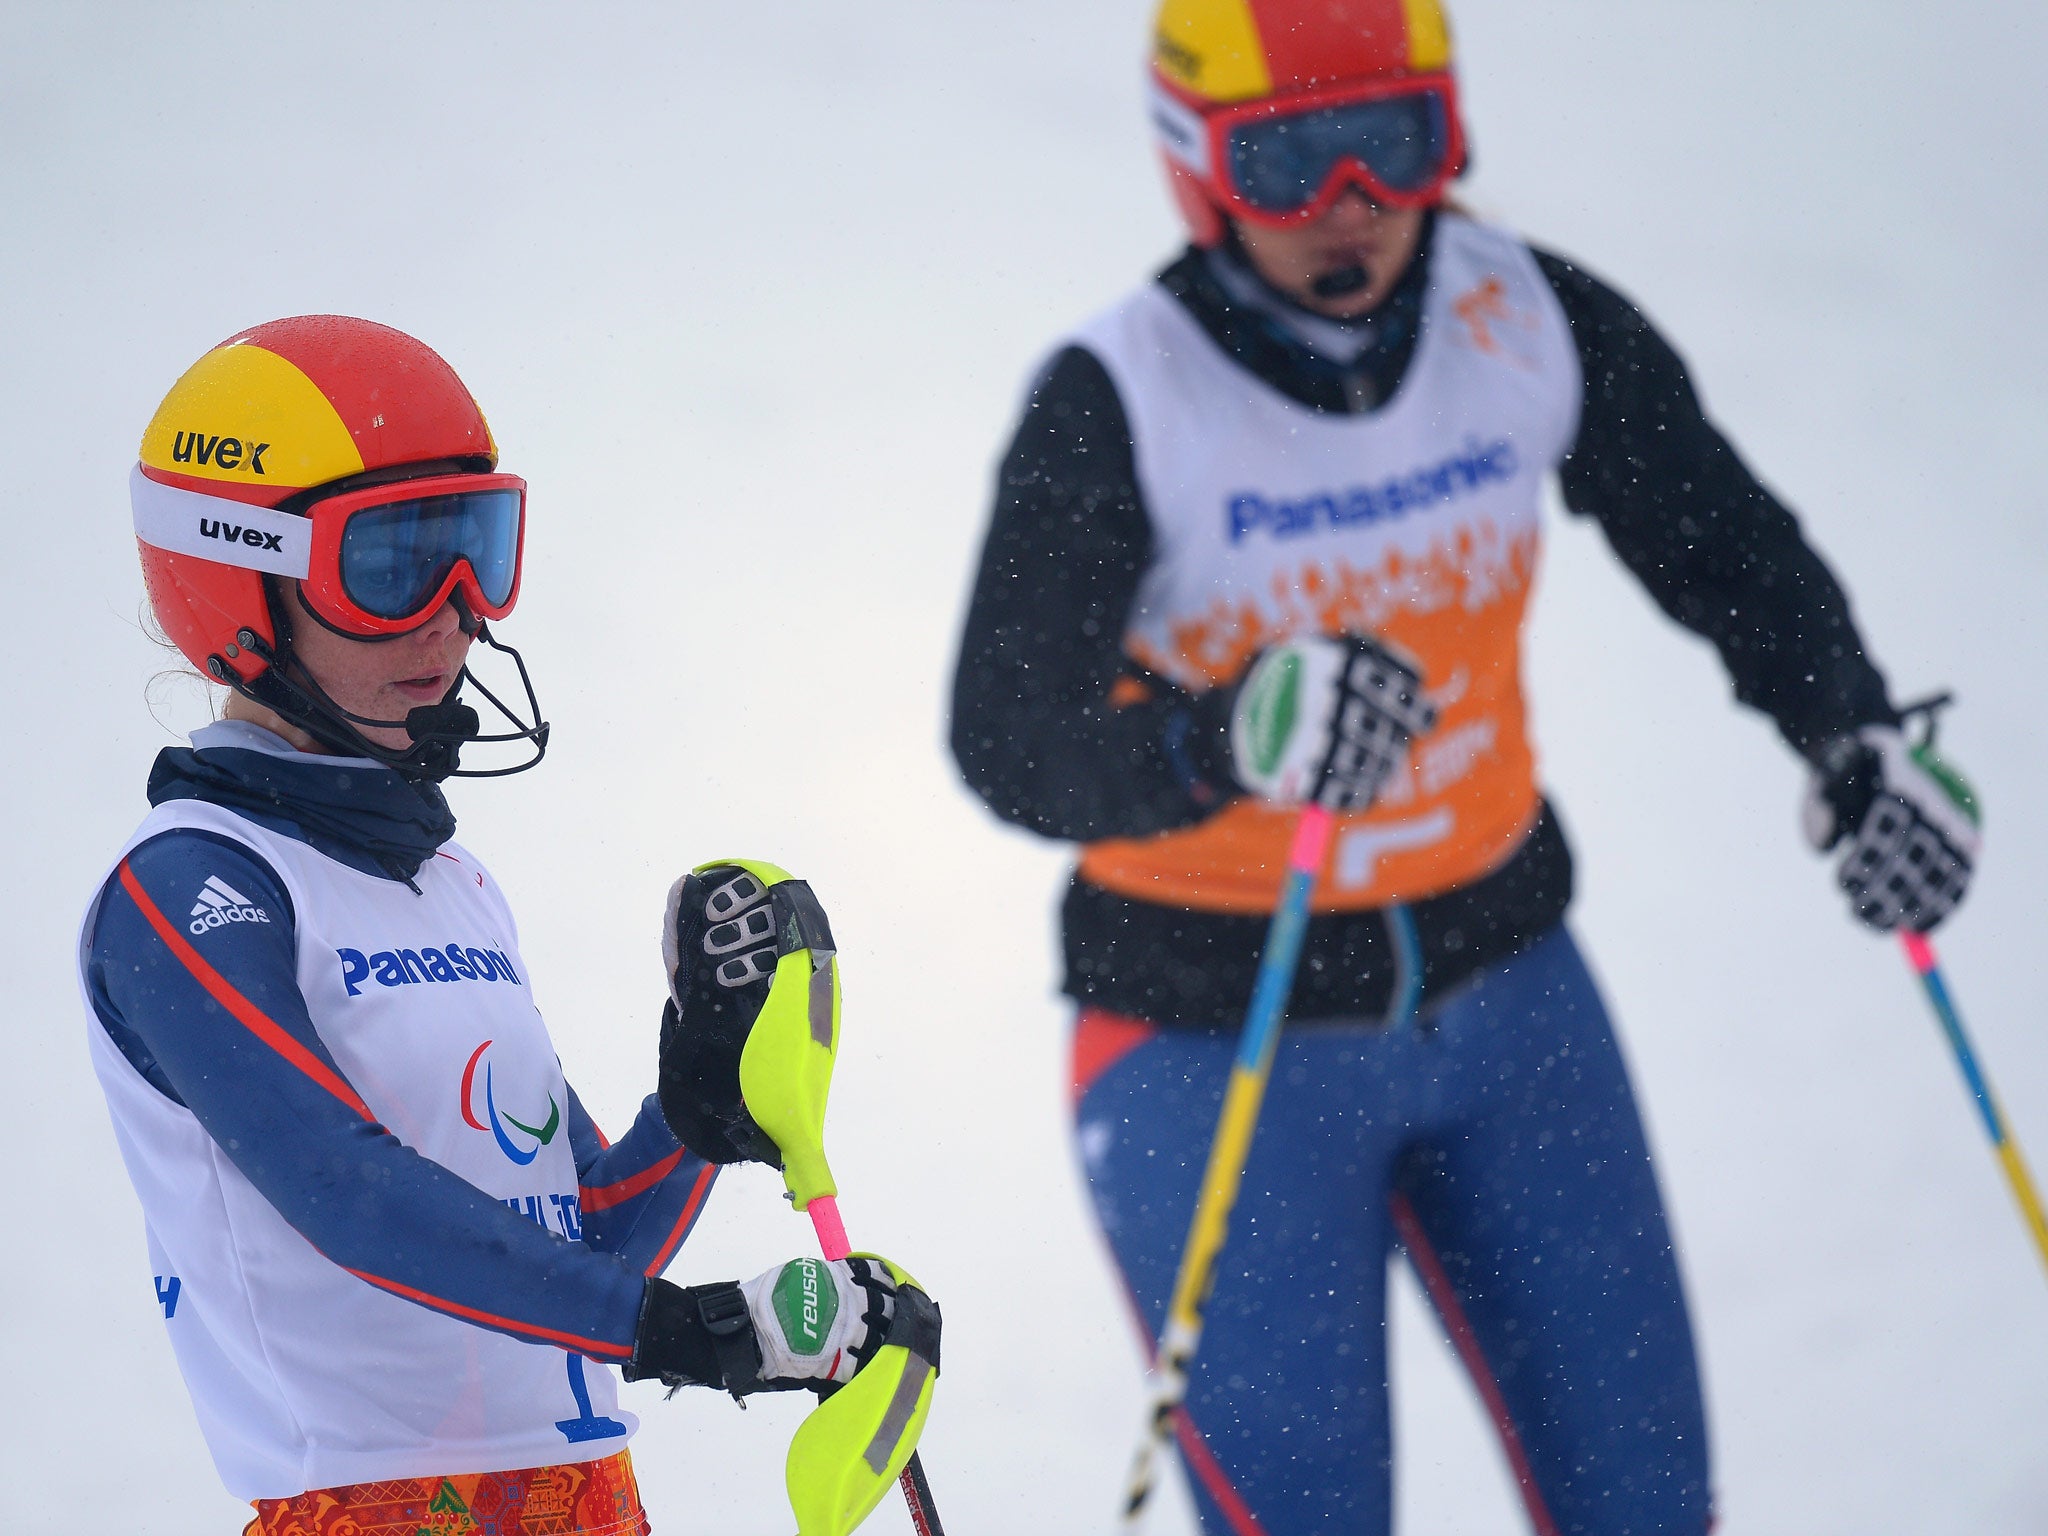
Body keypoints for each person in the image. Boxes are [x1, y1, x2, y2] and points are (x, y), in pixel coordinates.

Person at [948, 3, 1980, 1532]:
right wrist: (1224, 735)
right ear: (1197, 166)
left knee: (1645, 1504)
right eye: (1290, 158)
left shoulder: (1526, 319)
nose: (1351, 199)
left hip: (1513, 1004)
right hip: (1210, 1034)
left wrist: (1854, 735)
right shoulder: (1127, 396)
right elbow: (1006, 733)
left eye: (1396, 141)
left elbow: (1727, 544)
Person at [83, 316, 936, 1535]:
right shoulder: (189, 892)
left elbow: (578, 1235)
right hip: (368, 1506)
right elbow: (346, 1195)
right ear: (238, 583)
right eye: (388, 568)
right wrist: (683, 1331)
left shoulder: (452, 883)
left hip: (583, 1499)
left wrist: (694, 1116)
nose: (453, 616)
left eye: (475, 549)